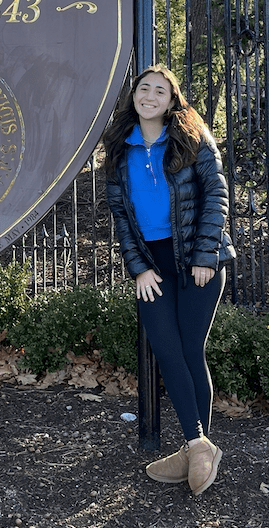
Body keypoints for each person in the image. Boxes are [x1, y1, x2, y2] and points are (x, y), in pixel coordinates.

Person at [103, 64, 235, 496]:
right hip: (152, 264)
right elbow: (121, 216)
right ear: (134, 96)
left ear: (171, 100)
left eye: (160, 90)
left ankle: (193, 446)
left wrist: (205, 255)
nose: (150, 96)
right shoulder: (119, 147)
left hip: (198, 257)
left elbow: (216, 195)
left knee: (190, 350)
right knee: (167, 348)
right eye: (144, 88)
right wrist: (139, 267)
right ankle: (199, 446)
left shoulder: (192, 136)